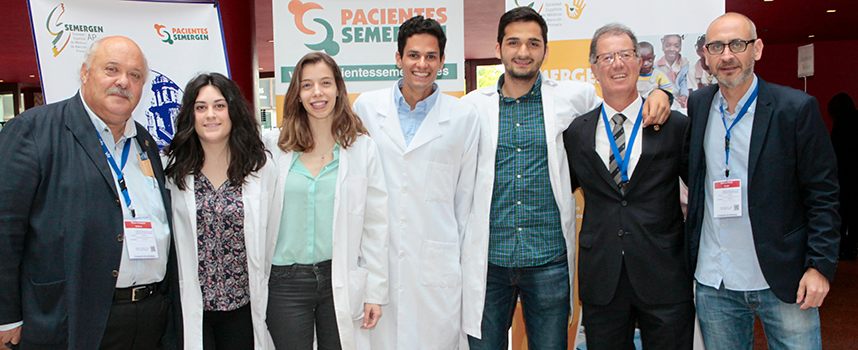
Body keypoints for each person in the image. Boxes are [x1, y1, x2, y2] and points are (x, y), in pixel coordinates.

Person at [460, 7, 672, 349]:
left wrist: (663, 93)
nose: (523, 52)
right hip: (489, 262)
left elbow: (621, 105)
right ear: (498, 48)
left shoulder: (575, 98)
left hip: (549, 261)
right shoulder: (471, 107)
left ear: (545, 49)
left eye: (533, 43)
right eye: (513, 43)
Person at [0, 36, 178, 349]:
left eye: (135, 75)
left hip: (149, 317)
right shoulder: (34, 131)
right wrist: (2, 314)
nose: (123, 82)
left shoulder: (144, 142)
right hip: (70, 318)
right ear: (85, 73)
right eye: (111, 69)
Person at [685, 12, 840, 350]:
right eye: (716, 47)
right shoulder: (698, 105)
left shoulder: (796, 109)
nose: (727, 55)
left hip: (784, 280)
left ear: (757, 49)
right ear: (706, 56)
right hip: (716, 282)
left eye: (737, 44)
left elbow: (823, 196)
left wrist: (819, 266)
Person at [351, 16, 480, 350]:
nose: (422, 64)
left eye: (431, 56)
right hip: (380, 261)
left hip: (436, 266)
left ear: (441, 61)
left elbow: (465, 202)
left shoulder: (463, 117)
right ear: (398, 58)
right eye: (413, 55)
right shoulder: (366, 107)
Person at [563, 23, 693, 349]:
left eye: (625, 54)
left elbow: (700, 191)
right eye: (607, 57)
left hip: (664, 275)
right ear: (593, 67)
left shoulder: (674, 125)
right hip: (602, 279)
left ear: (639, 61)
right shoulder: (577, 132)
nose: (617, 64)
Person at [264, 52, 389, 350]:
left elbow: (376, 226)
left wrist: (375, 291)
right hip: (285, 283)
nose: (317, 92)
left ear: (338, 89)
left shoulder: (362, 149)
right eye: (307, 85)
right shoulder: (273, 146)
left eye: (325, 83)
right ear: (297, 93)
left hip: (339, 277)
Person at [163, 72, 276, 349]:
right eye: (201, 107)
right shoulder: (173, 168)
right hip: (192, 308)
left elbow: (272, 233)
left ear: (233, 111)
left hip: (243, 307)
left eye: (219, 105)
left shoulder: (259, 167)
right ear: (191, 115)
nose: (210, 114)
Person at [829, 93, 857, 261]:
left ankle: (841, 249)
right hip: (855, 176)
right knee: (854, 216)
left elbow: (834, 154)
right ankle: (852, 247)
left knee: (842, 214)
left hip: (843, 177)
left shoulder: (840, 125)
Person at [657, 34, 689, 108]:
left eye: (676, 46)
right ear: (662, 47)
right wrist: (672, 97)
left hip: (682, 98)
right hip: (665, 98)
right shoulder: (657, 66)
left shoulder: (684, 64)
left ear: (680, 48)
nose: (672, 49)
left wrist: (684, 95)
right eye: (668, 45)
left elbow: (684, 82)